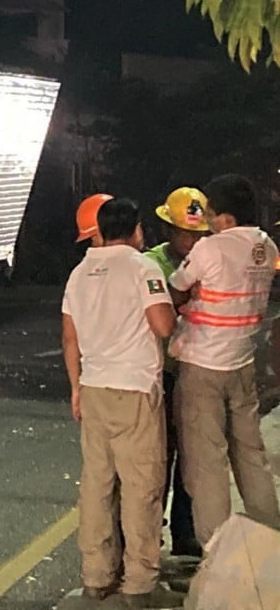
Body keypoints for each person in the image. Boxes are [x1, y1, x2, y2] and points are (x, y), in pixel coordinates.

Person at [62, 198, 184, 608]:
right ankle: (139, 583)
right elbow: (163, 324)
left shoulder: (79, 274)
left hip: (94, 390)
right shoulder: (142, 267)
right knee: (141, 488)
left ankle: (96, 577)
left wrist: (76, 388)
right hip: (134, 391)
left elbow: (69, 338)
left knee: (97, 486)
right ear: (136, 231)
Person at [167, 174, 280, 547]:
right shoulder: (267, 247)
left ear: (226, 218)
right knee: (251, 455)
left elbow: (177, 290)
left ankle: (217, 552)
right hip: (242, 361)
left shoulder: (210, 250)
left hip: (203, 365)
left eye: (212, 214)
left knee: (207, 461)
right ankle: (269, 540)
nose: (209, 222)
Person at [144, 187, 208, 557]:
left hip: (197, 370)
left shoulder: (210, 260)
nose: (193, 241)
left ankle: (186, 532)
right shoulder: (150, 263)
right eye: (186, 233)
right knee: (159, 456)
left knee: (192, 456)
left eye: (199, 234)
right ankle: (152, 530)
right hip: (162, 372)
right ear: (168, 229)